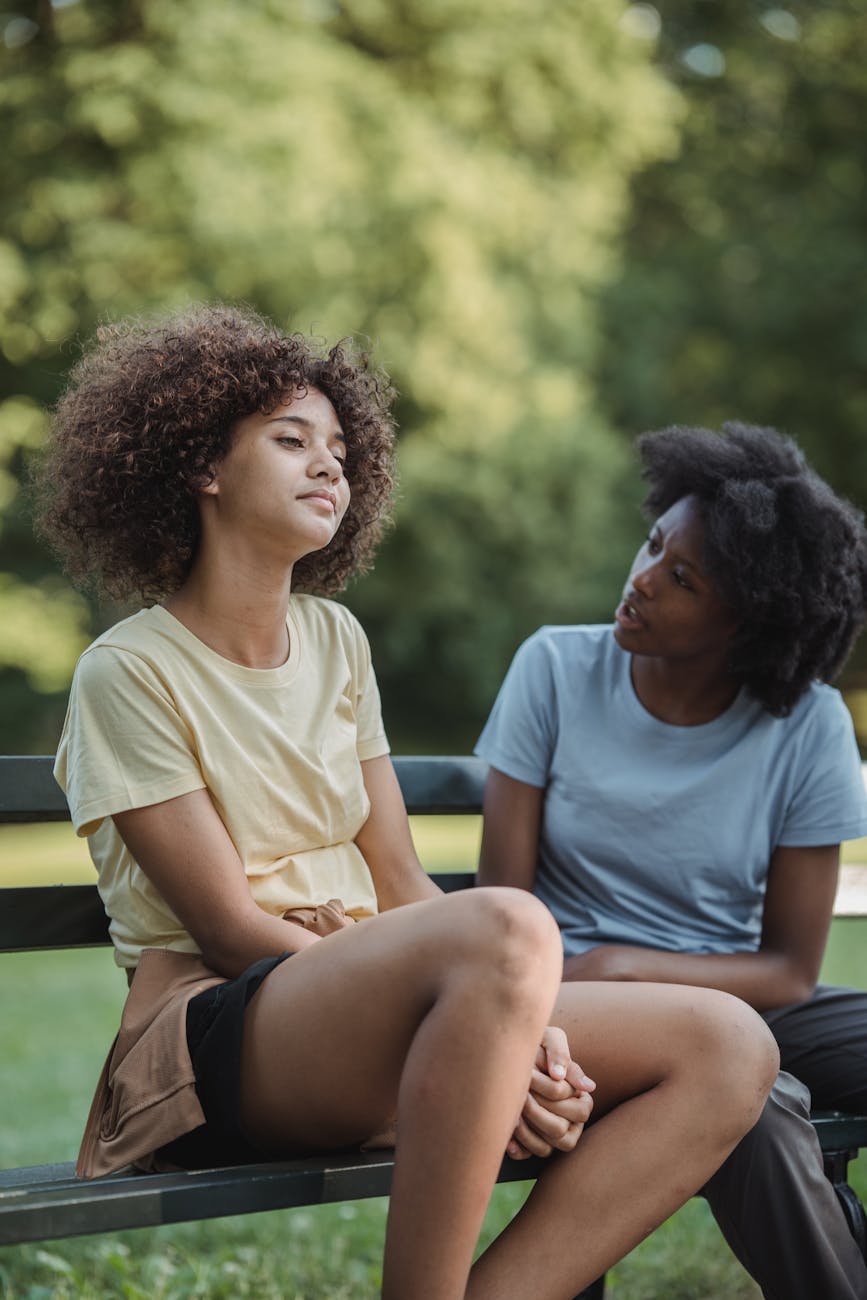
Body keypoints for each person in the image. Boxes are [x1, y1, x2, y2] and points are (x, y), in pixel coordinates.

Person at [36, 310, 777, 1300]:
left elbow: (398, 878)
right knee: (510, 924)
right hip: (220, 1029)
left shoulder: (337, 641)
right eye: (291, 440)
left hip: (387, 998)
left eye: (341, 452)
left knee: (729, 1044)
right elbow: (228, 926)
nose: (327, 465)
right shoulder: (127, 672)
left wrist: (521, 1026)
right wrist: (491, 1000)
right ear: (202, 466)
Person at [476, 420, 867, 1299]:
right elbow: (498, 907)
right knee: (757, 1111)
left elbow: (789, 969)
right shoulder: (553, 669)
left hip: (741, 996)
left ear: (747, 622)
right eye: (653, 544)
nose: (642, 578)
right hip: (578, 1005)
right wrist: (600, 978)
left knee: (753, 1068)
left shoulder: (807, 725)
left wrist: (630, 964)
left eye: (682, 578)